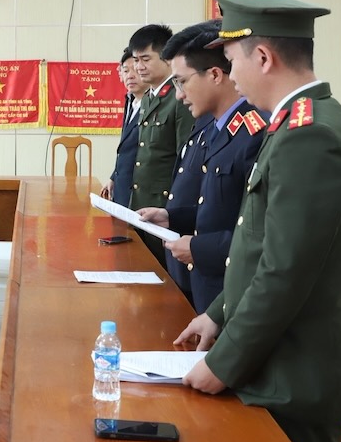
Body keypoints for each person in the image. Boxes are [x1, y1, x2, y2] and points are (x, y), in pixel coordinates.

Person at [174, 0, 341, 442]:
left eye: (233, 60)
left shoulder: (309, 135)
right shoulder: (296, 124)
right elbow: (261, 248)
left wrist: (223, 362)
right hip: (276, 360)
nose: (231, 75)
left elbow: (285, 272)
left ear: (263, 56)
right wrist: (217, 315)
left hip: (293, 374)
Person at [138, 20, 268, 314]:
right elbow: (215, 207)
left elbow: (257, 235)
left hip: (232, 295)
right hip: (208, 288)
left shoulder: (253, 133)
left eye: (182, 82)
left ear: (214, 74)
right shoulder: (218, 127)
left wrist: (197, 248)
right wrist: (172, 216)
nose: (179, 94)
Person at [127, 24, 196, 267]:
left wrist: (174, 211)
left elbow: (185, 160)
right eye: (135, 60)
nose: (138, 67)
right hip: (143, 206)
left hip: (165, 208)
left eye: (146, 59)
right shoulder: (148, 97)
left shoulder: (177, 99)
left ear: (166, 58)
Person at [100, 49, 145, 207]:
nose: (130, 76)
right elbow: (126, 148)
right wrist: (114, 177)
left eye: (136, 70)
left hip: (139, 195)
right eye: (126, 71)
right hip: (122, 188)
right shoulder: (130, 101)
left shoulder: (153, 105)